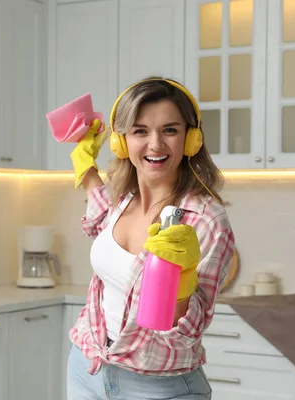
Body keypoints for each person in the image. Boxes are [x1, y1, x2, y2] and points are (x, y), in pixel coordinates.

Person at [66, 77, 236, 399]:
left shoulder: (207, 220)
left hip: (157, 385)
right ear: (121, 142)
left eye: (170, 130)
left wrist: (181, 284)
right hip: (87, 366)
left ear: (191, 139)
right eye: (140, 131)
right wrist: (85, 164)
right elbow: (97, 213)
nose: (155, 144)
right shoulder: (122, 199)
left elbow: (188, 331)